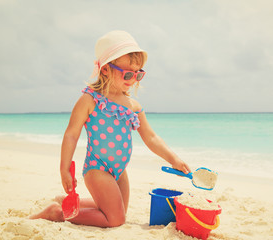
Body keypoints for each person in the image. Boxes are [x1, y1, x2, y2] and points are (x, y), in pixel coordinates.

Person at [30, 30, 191, 227]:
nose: (132, 79)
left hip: (119, 171)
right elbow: (71, 134)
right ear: (105, 69)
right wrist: (64, 168)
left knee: (119, 210)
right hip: (97, 168)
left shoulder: (133, 106)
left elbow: (151, 137)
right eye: (128, 73)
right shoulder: (90, 100)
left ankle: (68, 203)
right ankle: (56, 213)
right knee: (116, 219)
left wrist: (173, 158)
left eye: (138, 74)